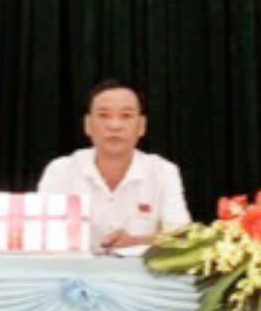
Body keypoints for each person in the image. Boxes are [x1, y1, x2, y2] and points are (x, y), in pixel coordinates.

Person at [35, 80, 193, 255]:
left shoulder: (163, 171)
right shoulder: (60, 171)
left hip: (139, 271)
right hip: (72, 270)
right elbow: (40, 237)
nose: (114, 125)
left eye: (126, 116)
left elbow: (183, 238)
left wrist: (137, 242)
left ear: (141, 126)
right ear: (88, 125)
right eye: (104, 115)